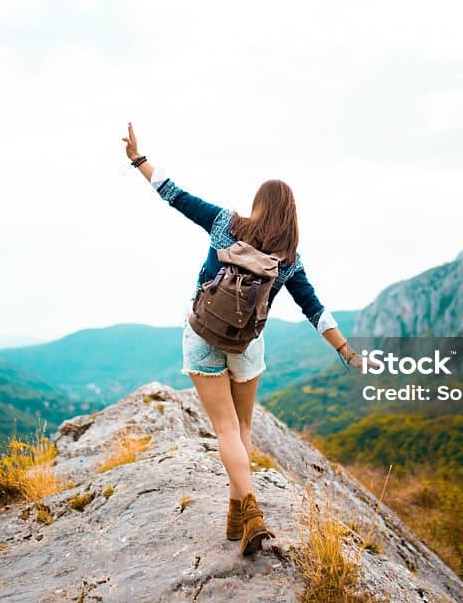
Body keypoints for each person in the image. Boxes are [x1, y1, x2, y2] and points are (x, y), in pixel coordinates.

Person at [121, 122, 363, 556]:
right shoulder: (287, 260)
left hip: (202, 335)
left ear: (258, 205)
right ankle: (241, 514)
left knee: (224, 428)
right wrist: (345, 349)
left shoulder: (223, 223)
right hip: (247, 346)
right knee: (244, 426)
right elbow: (315, 310)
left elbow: (173, 193)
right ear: (291, 214)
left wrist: (139, 160)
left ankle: (247, 511)